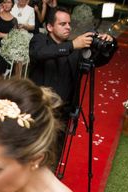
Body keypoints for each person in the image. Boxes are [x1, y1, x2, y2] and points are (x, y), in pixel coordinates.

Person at [28, 6, 114, 162]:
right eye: (62, 24)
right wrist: (72, 45)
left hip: (63, 114)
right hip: (37, 111)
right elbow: (39, 54)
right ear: (49, 27)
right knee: (31, 154)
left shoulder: (76, 49)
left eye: (69, 23)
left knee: (53, 157)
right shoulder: (39, 40)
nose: (68, 27)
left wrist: (111, 43)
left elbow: (98, 61)